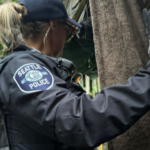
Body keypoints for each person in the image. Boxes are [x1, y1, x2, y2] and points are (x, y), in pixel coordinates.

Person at [0, 0, 150, 150]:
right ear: (53, 24)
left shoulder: (42, 68)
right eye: (69, 30)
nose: (67, 38)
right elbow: (76, 121)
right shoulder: (21, 68)